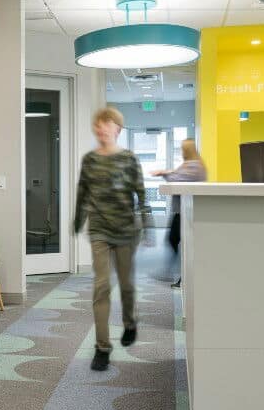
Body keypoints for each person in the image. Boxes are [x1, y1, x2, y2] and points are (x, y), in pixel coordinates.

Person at [74, 107, 153, 371]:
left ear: (117, 129)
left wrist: (148, 225)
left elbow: (141, 194)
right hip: (99, 230)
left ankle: (130, 321)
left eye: (106, 125)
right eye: (97, 125)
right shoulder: (90, 160)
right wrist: (77, 220)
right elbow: (82, 193)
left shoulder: (129, 159)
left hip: (126, 231)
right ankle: (102, 347)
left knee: (127, 285)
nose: (100, 129)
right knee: (101, 286)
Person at [152, 139, 207, 288]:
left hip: (185, 212)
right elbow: (178, 174)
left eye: (183, 149)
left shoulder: (194, 166)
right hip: (183, 210)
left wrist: (164, 173)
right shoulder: (195, 164)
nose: (181, 152)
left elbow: (176, 179)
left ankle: (180, 275)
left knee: (176, 241)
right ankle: (179, 275)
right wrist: (168, 172)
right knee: (176, 242)